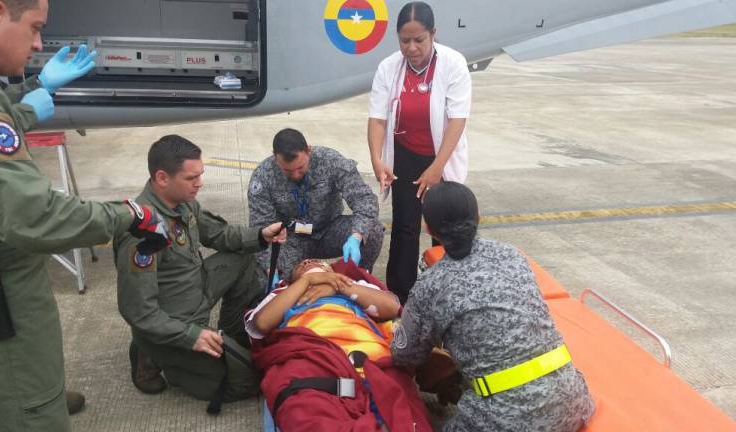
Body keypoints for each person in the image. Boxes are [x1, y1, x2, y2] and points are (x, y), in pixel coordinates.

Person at [0, 0, 171, 430]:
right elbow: (35, 217)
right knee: (24, 409)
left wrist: (32, 94)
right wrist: (126, 214)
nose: (38, 44)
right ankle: (36, 405)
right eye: (35, 27)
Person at [391, 182, 595, 431]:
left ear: (428, 228)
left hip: (505, 421)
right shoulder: (512, 255)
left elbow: (404, 354)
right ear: (478, 219)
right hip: (572, 401)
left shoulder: (431, 285)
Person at [114, 134, 286, 402]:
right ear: (162, 178)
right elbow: (139, 312)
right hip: (175, 323)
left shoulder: (182, 203)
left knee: (244, 256)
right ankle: (152, 354)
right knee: (248, 382)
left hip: (196, 288)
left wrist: (260, 235)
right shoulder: (141, 234)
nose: (199, 183)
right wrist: (191, 336)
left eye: (200, 175)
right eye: (191, 178)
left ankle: (231, 335)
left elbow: (219, 234)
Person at [246, 259, 432, 431]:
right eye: (301, 265)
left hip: (366, 352)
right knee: (303, 410)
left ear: (332, 271)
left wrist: (339, 287)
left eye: (317, 262)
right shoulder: (282, 293)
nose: (308, 261)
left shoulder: (353, 285)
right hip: (313, 355)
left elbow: (391, 307)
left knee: (403, 408)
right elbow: (262, 323)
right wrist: (306, 281)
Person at [367, 1, 472, 303]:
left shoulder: (453, 63)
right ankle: (401, 297)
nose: (411, 48)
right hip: (405, 155)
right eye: (404, 40)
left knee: (446, 226)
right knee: (405, 226)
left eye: (419, 40)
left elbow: (457, 120)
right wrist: (377, 159)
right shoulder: (388, 67)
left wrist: (438, 167)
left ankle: (449, 294)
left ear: (433, 34)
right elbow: (377, 118)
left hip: (441, 155)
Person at [248, 127, 385, 282]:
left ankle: (357, 282)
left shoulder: (329, 161)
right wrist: (269, 267)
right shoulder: (263, 177)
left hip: (329, 230)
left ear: (308, 150)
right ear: (275, 157)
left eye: (300, 168)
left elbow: (364, 199)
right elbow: (260, 228)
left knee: (372, 231)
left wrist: (356, 236)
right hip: (291, 240)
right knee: (262, 277)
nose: (295, 175)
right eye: (287, 170)